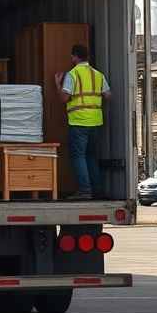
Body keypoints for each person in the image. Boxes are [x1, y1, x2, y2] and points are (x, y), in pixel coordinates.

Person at [54, 44, 112, 199]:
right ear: (88, 57)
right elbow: (108, 95)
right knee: (91, 156)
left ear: (74, 57)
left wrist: (58, 84)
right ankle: (97, 190)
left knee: (78, 156)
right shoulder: (98, 75)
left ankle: (85, 190)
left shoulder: (72, 75)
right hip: (96, 122)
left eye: (71, 56)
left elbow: (64, 98)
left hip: (78, 122)